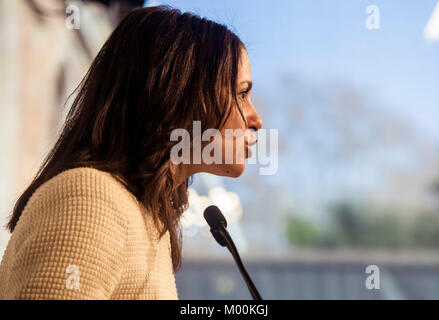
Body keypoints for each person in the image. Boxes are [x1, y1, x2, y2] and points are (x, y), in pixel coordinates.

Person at [0, 5, 262, 299]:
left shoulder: (145, 218)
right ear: (178, 92)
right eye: (242, 94)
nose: (256, 120)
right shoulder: (90, 199)